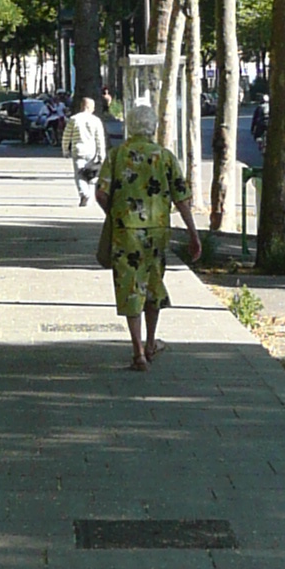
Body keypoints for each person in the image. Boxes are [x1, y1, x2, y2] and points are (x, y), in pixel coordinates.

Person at [94, 97, 201, 374]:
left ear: (129, 127)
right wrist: (193, 234)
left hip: (125, 232)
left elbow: (101, 192)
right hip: (157, 231)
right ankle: (152, 342)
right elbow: (182, 198)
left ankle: (137, 351)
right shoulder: (164, 157)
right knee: (153, 284)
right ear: (153, 128)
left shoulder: (117, 156)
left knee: (131, 287)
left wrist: (115, 213)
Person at [62, 91, 107, 206]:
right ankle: (89, 196)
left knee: (79, 174)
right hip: (92, 151)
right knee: (92, 175)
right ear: (88, 107)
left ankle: (84, 194)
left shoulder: (74, 119)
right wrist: (102, 154)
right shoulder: (96, 120)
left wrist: (65, 149)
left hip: (78, 151)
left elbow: (66, 136)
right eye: (93, 107)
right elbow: (100, 139)